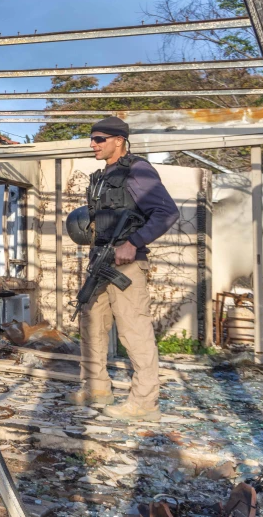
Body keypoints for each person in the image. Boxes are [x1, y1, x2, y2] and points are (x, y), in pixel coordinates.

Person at [67, 116, 179, 422]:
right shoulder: (102, 176)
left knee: (134, 331)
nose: (93, 144)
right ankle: (97, 388)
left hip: (126, 264)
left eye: (99, 139)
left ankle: (145, 402)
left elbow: (166, 212)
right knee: (91, 324)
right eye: (92, 139)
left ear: (119, 141)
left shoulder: (137, 169)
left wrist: (134, 243)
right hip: (100, 259)